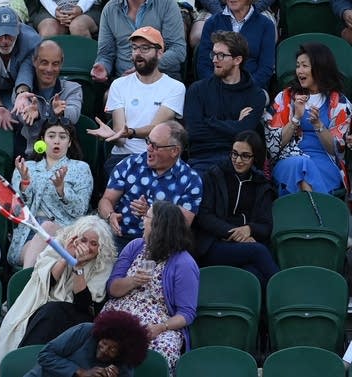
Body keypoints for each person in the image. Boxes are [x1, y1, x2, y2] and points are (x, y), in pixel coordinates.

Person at [0, 215, 117, 364]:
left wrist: (78, 267)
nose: (87, 247)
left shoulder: (103, 263)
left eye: (93, 243)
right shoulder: (59, 243)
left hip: (78, 316)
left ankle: (30, 363)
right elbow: (47, 282)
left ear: (101, 248)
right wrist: (66, 257)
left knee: (52, 311)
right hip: (43, 302)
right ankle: (24, 362)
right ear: (75, 237)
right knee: (47, 311)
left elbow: (83, 305)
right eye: (83, 240)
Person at [102, 200, 199, 374]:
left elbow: (187, 313)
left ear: (159, 226)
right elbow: (112, 289)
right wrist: (132, 281)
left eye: (147, 217)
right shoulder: (135, 246)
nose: (143, 220)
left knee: (162, 351)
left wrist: (160, 328)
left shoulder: (184, 262)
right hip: (120, 316)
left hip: (157, 325)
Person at [87, 26, 185, 177]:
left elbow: (155, 130)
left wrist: (130, 133)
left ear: (159, 53)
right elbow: (121, 140)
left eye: (145, 48)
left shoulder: (175, 87)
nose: (138, 53)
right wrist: (113, 135)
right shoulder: (119, 85)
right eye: (134, 48)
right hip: (123, 157)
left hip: (158, 157)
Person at [97, 121, 202, 252]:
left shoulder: (191, 181)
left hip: (159, 244)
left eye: (155, 146)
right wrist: (110, 215)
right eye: (148, 141)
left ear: (174, 151)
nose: (148, 148)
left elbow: (182, 227)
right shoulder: (130, 163)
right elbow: (106, 201)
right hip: (118, 237)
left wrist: (150, 214)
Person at [193, 130, 279, 287]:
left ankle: (272, 309)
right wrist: (235, 233)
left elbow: (266, 226)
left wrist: (249, 229)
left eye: (245, 156)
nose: (238, 160)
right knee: (258, 251)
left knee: (254, 275)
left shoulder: (262, 185)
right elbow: (204, 216)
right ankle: (287, 294)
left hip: (246, 245)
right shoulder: (214, 175)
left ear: (255, 157)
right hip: (214, 244)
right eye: (234, 154)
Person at [267, 43, 352, 196]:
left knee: (302, 178)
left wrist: (318, 125)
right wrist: (296, 118)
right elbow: (274, 145)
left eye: (305, 66)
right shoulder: (285, 98)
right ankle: (323, 214)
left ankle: (299, 215)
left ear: (320, 68)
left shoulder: (340, 103)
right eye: (298, 66)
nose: (299, 70)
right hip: (289, 159)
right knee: (299, 164)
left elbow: (337, 150)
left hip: (325, 163)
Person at [9, 119, 92, 268]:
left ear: (70, 142)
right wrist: (25, 182)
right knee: (37, 257)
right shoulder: (26, 167)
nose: (57, 141)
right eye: (51, 136)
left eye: (63, 136)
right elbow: (16, 210)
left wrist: (61, 189)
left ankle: (25, 282)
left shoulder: (80, 168)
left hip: (64, 232)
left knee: (47, 227)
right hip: (27, 233)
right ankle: (31, 282)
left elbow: (80, 210)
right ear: (42, 140)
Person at [184, 30, 265, 173]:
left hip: (239, 162)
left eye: (221, 55)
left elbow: (246, 135)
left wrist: (210, 121)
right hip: (203, 160)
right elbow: (194, 133)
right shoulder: (197, 90)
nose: (214, 59)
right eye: (214, 54)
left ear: (237, 60)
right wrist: (236, 124)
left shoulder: (256, 95)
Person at [24, 310, 150, 377]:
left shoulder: (125, 364)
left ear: (122, 352)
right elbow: (45, 355)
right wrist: (80, 372)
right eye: (104, 343)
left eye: (112, 349)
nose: (104, 350)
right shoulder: (85, 331)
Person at [11, 40, 82, 157]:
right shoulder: (22, 92)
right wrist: (35, 116)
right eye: (44, 63)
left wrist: (62, 111)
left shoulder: (72, 88)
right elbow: (22, 117)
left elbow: (74, 115)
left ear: (61, 64)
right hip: (31, 155)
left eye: (55, 64)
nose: (49, 69)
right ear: (34, 61)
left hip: (64, 157)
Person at [90, 0, 186, 82]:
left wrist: (144, 67)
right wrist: (103, 66)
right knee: (108, 97)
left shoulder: (167, 4)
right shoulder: (110, 9)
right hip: (125, 81)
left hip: (162, 78)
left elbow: (178, 50)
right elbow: (105, 54)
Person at [196, 0, 275, 89]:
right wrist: (219, 88)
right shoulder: (212, 22)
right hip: (217, 89)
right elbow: (203, 64)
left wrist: (245, 88)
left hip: (251, 89)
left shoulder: (266, 25)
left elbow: (266, 68)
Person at [189, 0, 276, 47]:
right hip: (215, 7)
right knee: (197, 37)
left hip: (257, 7)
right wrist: (220, 14)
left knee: (270, 36)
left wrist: (251, 11)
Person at [30, 0, 101, 38]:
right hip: (50, 9)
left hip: (89, 8)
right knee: (49, 29)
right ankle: (46, 63)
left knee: (78, 26)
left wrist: (81, 7)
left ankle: (86, 64)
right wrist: (54, 10)